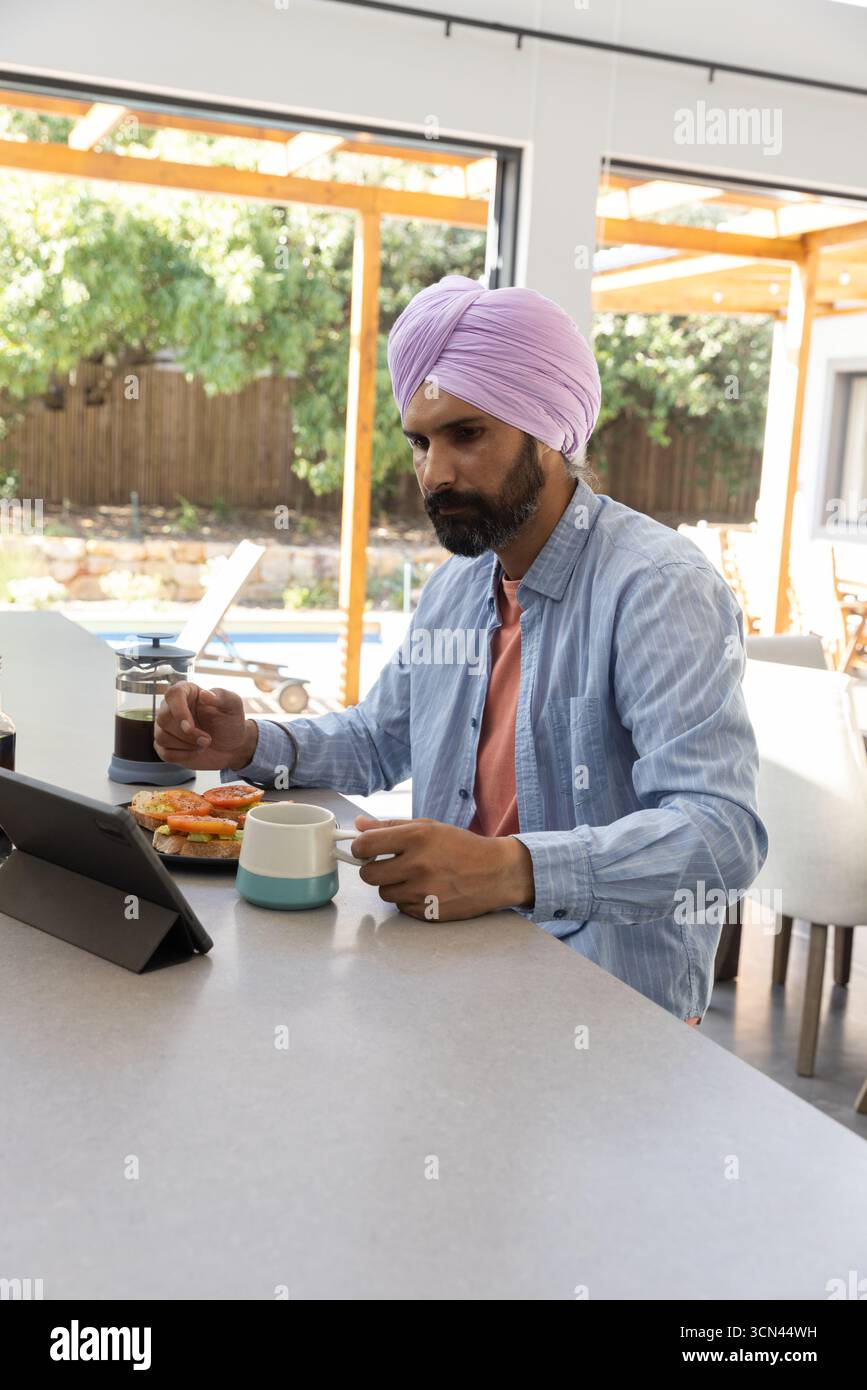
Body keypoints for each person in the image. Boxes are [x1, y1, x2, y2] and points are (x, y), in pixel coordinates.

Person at [155, 274, 767, 1025]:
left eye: (466, 435)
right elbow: (379, 739)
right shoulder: (457, 585)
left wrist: (512, 870)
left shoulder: (658, 588)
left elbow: (721, 835)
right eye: (420, 442)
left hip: (607, 1012)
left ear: (548, 433)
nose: (434, 473)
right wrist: (249, 742)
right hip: (444, 973)